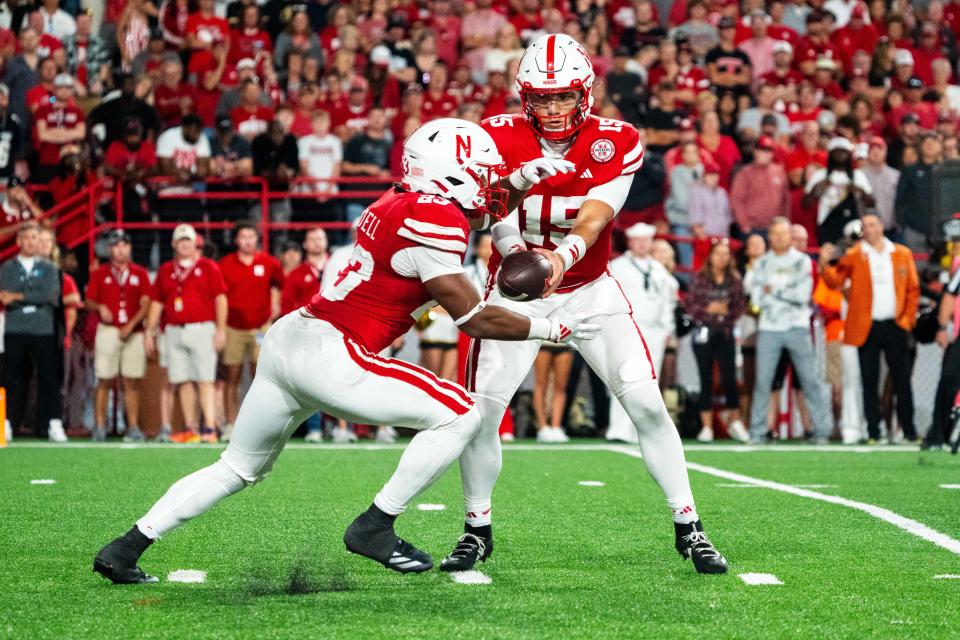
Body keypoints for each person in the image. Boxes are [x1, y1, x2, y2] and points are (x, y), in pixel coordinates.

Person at [92, 118, 598, 583]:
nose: (491, 182)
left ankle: (126, 547)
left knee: (236, 467)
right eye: (483, 172)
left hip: (291, 339)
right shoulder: (435, 219)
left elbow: (481, 208)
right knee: (461, 415)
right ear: (452, 175)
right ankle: (376, 524)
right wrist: (553, 329)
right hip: (333, 352)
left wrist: (520, 181)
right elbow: (475, 318)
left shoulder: (400, 199)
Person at [446, 34, 728, 575]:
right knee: (481, 413)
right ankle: (476, 528)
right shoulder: (496, 135)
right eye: (542, 97)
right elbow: (489, 208)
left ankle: (689, 526)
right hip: (515, 292)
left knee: (646, 402)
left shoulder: (615, 138)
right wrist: (514, 255)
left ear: (585, 94)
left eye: (563, 97)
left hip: (591, 289)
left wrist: (560, 260)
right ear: (525, 97)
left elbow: (599, 213)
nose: (553, 108)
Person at [820, 213, 921, 443]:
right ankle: (873, 431)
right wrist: (824, 264)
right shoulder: (855, 255)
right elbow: (835, 282)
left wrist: (906, 320)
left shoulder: (901, 254)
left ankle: (909, 430)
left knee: (902, 379)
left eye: (873, 224)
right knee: (869, 380)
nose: (869, 229)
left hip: (895, 325)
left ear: (882, 226)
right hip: (867, 326)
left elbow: (913, 289)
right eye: (865, 225)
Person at [747, 218, 832, 444]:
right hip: (769, 328)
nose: (779, 238)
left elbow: (802, 296)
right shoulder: (762, 263)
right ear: (770, 237)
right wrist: (784, 290)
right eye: (774, 234)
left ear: (789, 236)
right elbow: (756, 298)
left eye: (783, 234)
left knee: (810, 380)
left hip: (797, 327)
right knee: (763, 381)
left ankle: (821, 430)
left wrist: (772, 291)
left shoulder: (802, 261)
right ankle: (757, 431)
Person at [143, 224, 227, 444]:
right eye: (181, 241)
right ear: (174, 244)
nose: (185, 244)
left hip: (202, 328)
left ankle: (209, 427)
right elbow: (156, 303)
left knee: (205, 379)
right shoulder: (165, 270)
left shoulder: (208, 267)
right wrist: (150, 332)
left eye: (188, 240)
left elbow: (221, 299)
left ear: (195, 243)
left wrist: (221, 330)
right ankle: (191, 428)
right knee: (182, 380)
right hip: (174, 330)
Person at [606, 223, 678, 443]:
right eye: (638, 240)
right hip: (627, 329)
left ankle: (640, 430)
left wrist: (667, 328)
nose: (642, 244)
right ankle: (618, 428)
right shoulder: (618, 266)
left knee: (648, 382)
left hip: (655, 332)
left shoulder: (658, 269)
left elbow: (668, 300)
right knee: (623, 377)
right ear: (630, 242)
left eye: (646, 240)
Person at [218, 222, 284, 443]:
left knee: (262, 377)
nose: (247, 240)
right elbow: (220, 297)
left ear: (256, 239)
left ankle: (261, 426)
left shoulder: (269, 263)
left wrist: (274, 303)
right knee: (232, 377)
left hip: (261, 328)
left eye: (251, 236)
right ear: (236, 240)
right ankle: (229, 424)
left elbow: (278, 286)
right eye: (243, 236)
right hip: (233, 328)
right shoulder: (225, 265)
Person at [85, 230, 152, 442]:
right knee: (104, 379)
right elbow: (88, 301)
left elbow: (146, 303)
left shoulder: (140, 273)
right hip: (109, 330)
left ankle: (132, 427)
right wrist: (100, 307)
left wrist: (131, 325)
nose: (120, 249)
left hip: (133, 332)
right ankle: (99, 426)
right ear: (109, 249)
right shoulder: (100, 273)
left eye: (124, 245)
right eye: (116, 245)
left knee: (131, 381)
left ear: (130, 248)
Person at [0, 222, 65, 442]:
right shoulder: (7, 267)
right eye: (26, 238)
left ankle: (54, 423)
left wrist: (18, 297)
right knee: (10, 377)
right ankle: (5, 422)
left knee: (49, 377)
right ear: (18, 241)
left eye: (34, 238)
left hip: (43, 329)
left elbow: (47, 295)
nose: (30, 242)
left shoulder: (50, 268)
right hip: (14, 328)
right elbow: (4, 295)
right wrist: (29, 296)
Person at [685, 239, 749, 442]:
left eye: (725, 253)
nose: (722, 257)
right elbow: (691, 306)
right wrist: (709, 311)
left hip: (726, 333)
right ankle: (706, 427)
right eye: (718, 253)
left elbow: (739, 305)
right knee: (705, 379)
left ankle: (735, 421)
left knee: (729, 378)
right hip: (703, 333)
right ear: (711, 256)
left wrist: (725, 313)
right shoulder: (700, 278)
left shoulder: (734, 279)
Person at [803, 136, 875, 245]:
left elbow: (871, 203)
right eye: (837, 152)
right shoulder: (820, 175)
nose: (841, 155)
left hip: (853, 225)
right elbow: (804, 204)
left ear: (849, 155)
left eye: (844, 152)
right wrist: (816, 190)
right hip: (827, 222)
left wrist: (860, 191)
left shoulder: (857, 175)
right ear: (830, 154)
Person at [730, 136, 791, 237]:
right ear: (755, 151)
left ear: (772, 153)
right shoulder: (745, 173)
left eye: (768, 150)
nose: (765, 154)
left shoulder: (779, 171)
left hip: (775, 228)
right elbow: (737, 200)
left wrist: (785, 223)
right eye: (762, 149)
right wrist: (744, 225)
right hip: (752, 227)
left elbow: (786, 200)